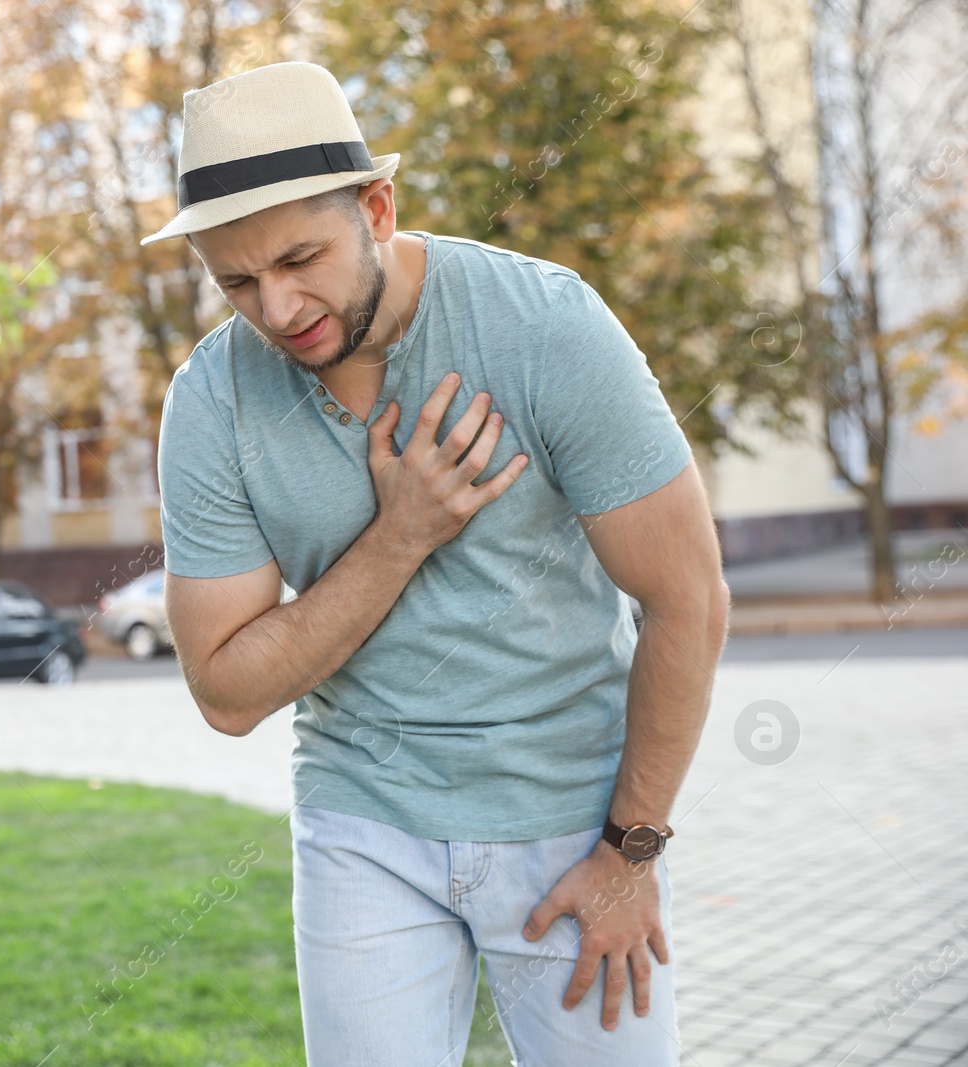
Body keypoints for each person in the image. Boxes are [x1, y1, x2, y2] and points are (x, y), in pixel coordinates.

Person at [147, 62, 729, 1066]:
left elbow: (687, 599)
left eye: (299, 258)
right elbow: (228, 690)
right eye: (236, 281)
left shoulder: (543, 325)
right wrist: (400, 532)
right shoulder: (211, 401)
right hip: (362, 823)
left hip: (570, 818)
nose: (278, 309)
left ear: (377, 206)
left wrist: (631, 850)